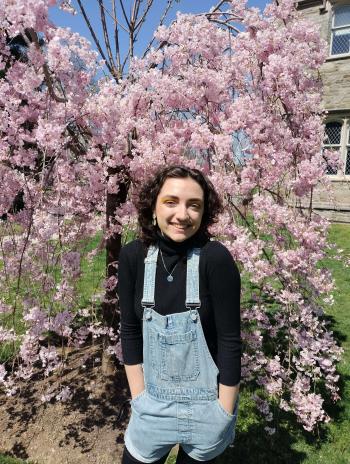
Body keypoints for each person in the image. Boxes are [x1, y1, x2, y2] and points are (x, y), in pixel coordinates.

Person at [117, 165, 241, 464]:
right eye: (171, 202)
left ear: (204, 212)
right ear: (153, 206)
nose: (182, 215)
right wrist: (139, 397)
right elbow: (130, 329)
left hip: (207, 409)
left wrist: (223, 411)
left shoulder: (216, 259)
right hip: (151, 408)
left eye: (194, 205)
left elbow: (229, 341)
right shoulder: (133, 256)